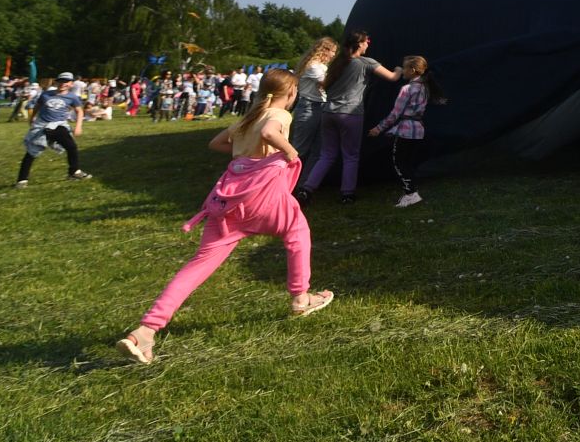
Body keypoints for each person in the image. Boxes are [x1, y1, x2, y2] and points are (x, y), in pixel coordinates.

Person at [117, 70, 332, 364]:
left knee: (199, 264)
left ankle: (145, 331)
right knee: (297, 232)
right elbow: (271, 133)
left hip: (228, 201)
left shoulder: (249, 116)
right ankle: (300, 297)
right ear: (292, 93)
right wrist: (292, 153)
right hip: (264, 198)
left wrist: (244, 155)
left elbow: (217, 143)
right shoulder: (280, 115)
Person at [297, 30, 397, 205]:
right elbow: (393, 77)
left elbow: (325, 86)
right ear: (359, 43)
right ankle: (347, 193)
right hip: (350, 114)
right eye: (367, 41)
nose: (368, 45)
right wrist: (400, 69)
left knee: (326, 155)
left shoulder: (337, 64)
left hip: (329, 113)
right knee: (351, 155)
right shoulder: (367, 63)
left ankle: (306, 189)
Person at [368, 55, 441, 208]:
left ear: (412, 70)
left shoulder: (407, 89)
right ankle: (410, 192)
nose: (403, 71)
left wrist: (378, 128)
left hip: (406, 130)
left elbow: (395, 113)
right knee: (408, 162)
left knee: (399, 162)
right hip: (418, 130)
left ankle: (411, 193)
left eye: (405, 68)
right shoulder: (425, 87)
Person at [16, 72, 92, 187]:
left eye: (66, 82)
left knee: (71, 146)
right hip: (42, 125)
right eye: (60, 81)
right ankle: (22, 180)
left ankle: (74, 172)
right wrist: (32, 118)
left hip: (59, 125)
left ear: (71, 84)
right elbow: (37, 106)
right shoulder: (46, 95)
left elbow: (79, 111)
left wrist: (78, 126)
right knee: (32, 152)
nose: (63, 84)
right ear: (57, 82)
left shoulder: (72, 97)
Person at [291, 36, 336, 171]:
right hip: (309, 107)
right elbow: (327, 84)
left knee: (317, 150)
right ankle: (287, 183)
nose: (334, 55)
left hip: (318, 106)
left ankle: (303, 185)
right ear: (325, 50)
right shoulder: (314, 66)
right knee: (300, 149)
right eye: (333, 51)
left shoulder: (319, 66)